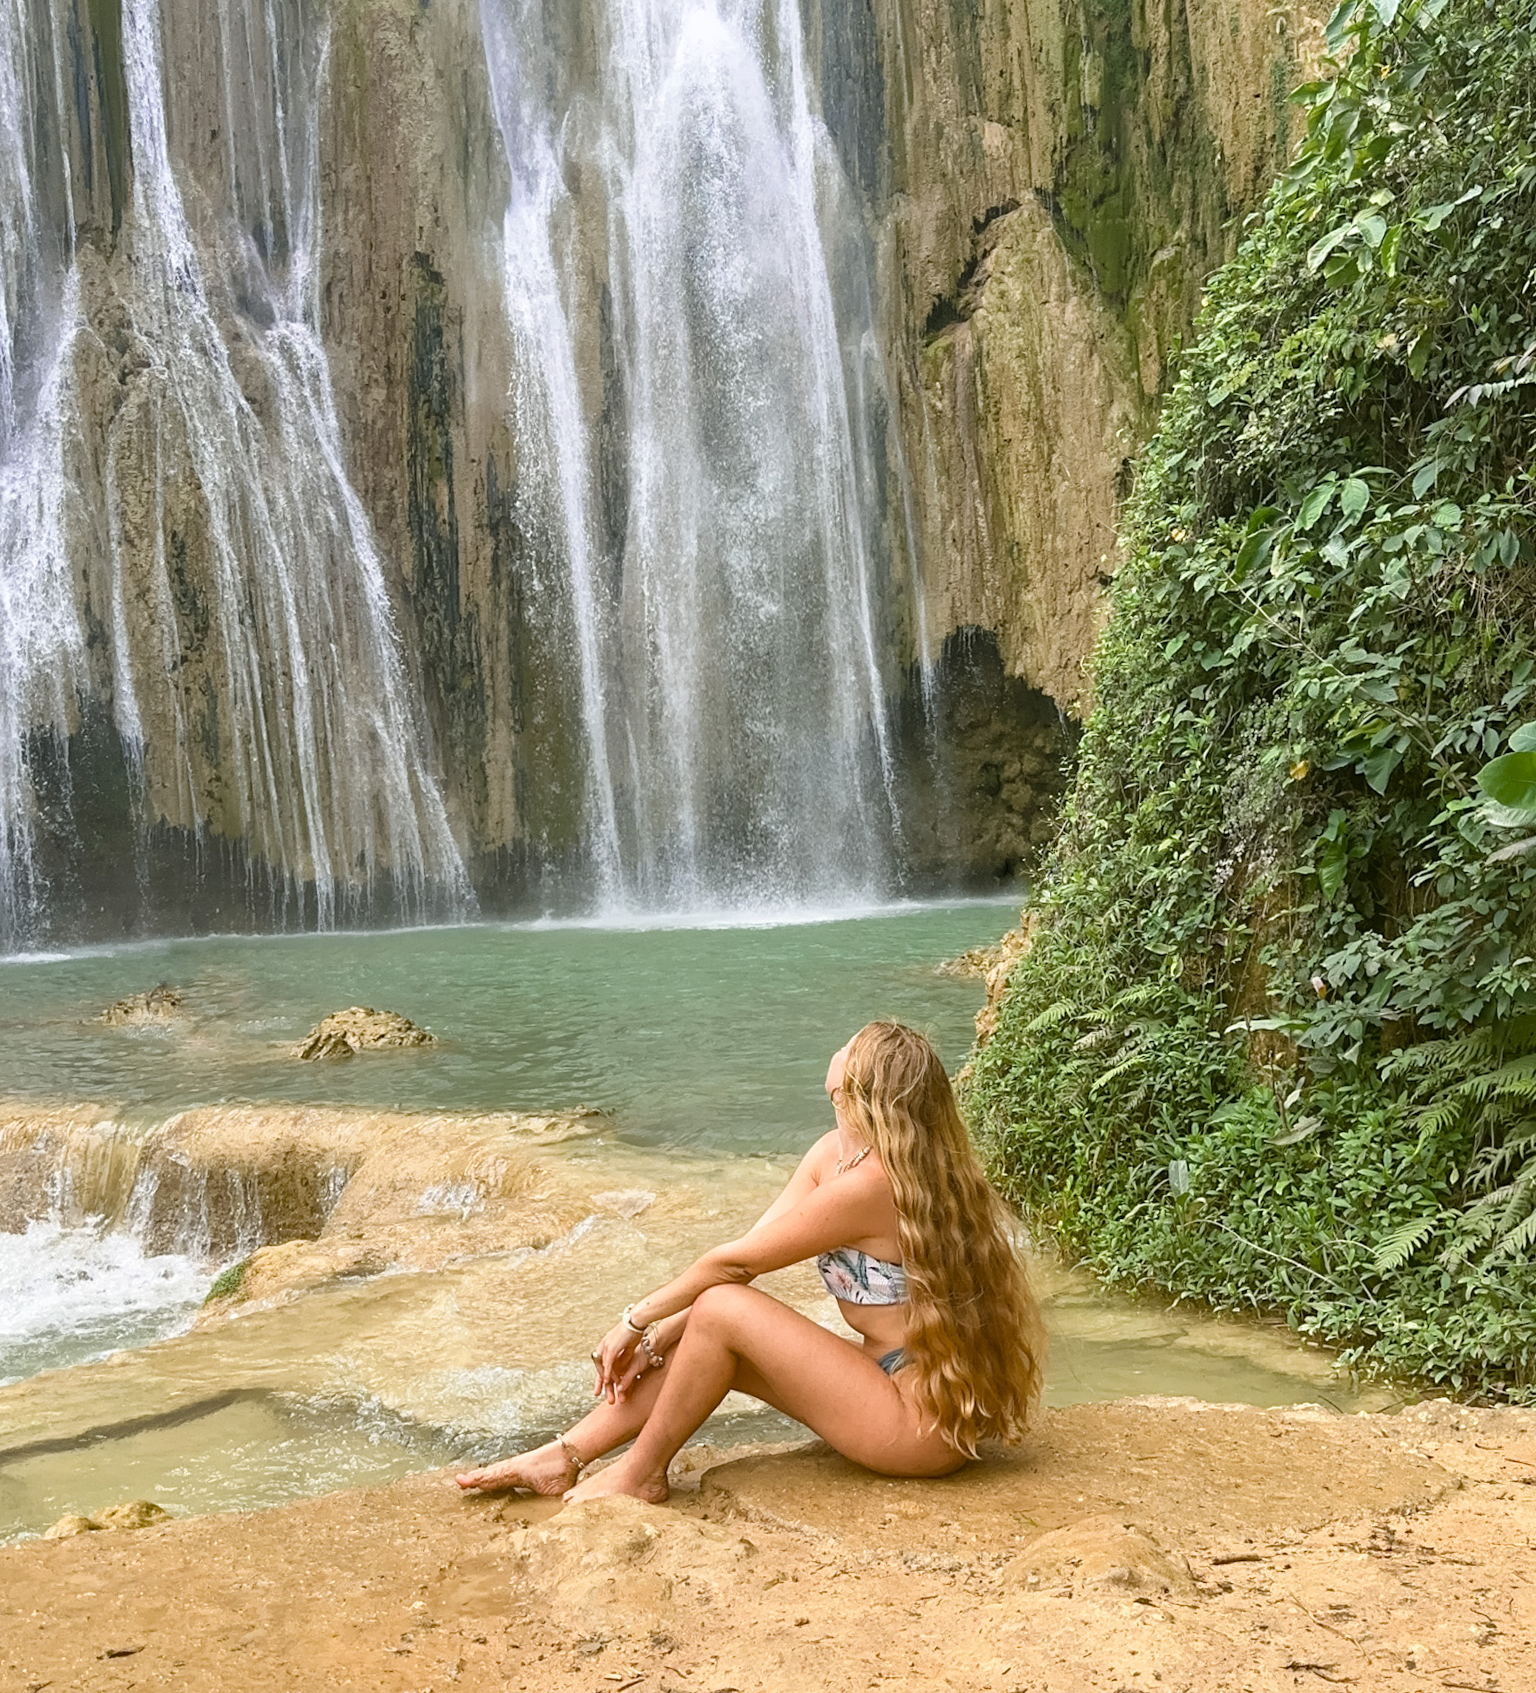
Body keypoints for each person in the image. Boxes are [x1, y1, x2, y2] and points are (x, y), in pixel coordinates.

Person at [454, 1020, 1043, 1504]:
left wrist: (636, 1322)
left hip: (919, 1423)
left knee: (721, 1311)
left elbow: (730, 1270)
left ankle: (641, 1474)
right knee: (712, 1330)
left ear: (861, 1089)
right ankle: (565, 1455)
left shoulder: (872, 1184)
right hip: (888, 1384)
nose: (840, 1045)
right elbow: (748, 1255)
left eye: (851, 1046)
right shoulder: (836, 1154)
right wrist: (663, 1338)